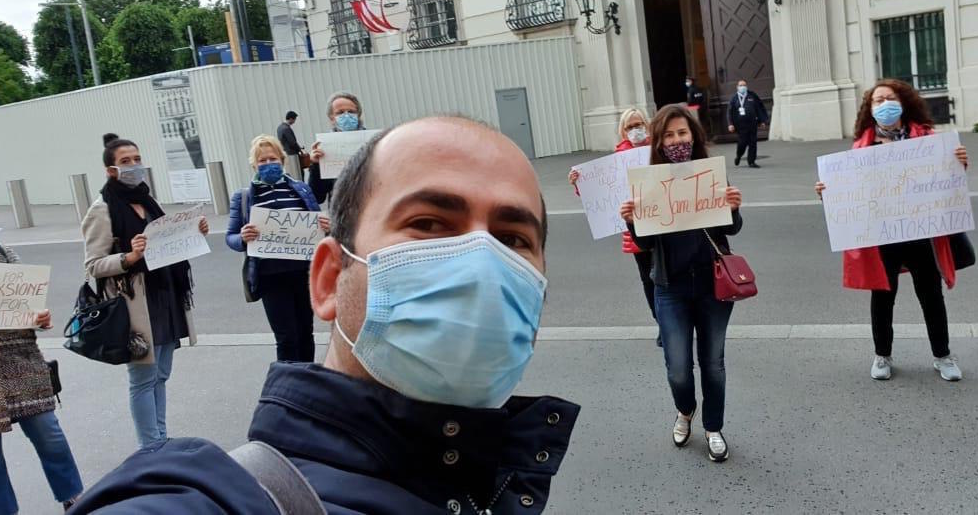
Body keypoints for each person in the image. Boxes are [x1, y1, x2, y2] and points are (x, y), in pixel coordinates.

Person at [70, 117, 579, 514]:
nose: (479, 263)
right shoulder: (212, 500)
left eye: (513, 239)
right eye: (428, 223)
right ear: (331, 278)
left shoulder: (500, 482)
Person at [814, 79, 968, 382]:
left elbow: (947, 182)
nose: (884, 105)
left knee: (931, 295)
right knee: (883, 296)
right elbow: (852, 191)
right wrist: (829, 192)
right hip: (882, 236)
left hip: (921, 232)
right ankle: (882, 355)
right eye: (877, 101)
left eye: (889, 98)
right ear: (870, 110)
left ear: (903, 102)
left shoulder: (928, 140)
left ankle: (943, 355)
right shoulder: (861, 148)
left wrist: (959, 164)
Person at [619, 105, 744, 463]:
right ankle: (685, 410)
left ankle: (713, 427)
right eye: (669, 135)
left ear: (694, 136)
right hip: (670, 288)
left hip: (712, 286)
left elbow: (730, 229)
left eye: (683, 134)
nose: (677, 141)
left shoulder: (710, 175)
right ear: (659, 141)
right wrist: (631, 221)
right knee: (677, 366)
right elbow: (643, 245)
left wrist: (733, 207)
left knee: (713, 363)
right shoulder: (649, 182)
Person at [81, 134, 208, 448]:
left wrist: (195, 231)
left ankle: (160, 437)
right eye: (126, 162)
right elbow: (93, 265)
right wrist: (129, 257)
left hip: (164, 294)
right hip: (135, 303)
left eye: (137, 159)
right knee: (142, 379)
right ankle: (150, 445)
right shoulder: (102, 209)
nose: (134, 166)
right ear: (111, 170)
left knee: (161, 374)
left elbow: (169, 238)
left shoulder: (148, 200)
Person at [0, 190, 84, 514]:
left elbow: (29, 307)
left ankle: (75, 499)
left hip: (20, 362)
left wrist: (39, 318)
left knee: (50, 435)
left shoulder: (5, 254)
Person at [226, 135, 330, 363]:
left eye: (272, 158)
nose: (267, 164)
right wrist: (243, 238)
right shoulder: (243, 197)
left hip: (303, 273)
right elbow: (230, 238)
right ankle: (289, 386)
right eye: (261, 161)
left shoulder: (301, 190)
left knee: (305, 334)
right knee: (286, 338)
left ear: (282, 161)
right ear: (254, 165)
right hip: (269, 277)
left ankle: (306, 380)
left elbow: (318, 227)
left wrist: (325, 227)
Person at [568, 108, 658, 345]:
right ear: (623, 131)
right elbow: (600, 192)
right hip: (635, 231)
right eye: (630, 126)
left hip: (662, 227)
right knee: (648, 279)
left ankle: (673, 321)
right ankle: (661, 322)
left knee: (666, 277)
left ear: (647, 125)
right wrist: (581, 184)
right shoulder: (618, 157)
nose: (635, 130)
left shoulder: (657, 151)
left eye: (639, 124)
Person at [308, 92, 365, 204]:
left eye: (351, 112)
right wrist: (316, 165)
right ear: (332, 118)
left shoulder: (374, 143)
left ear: (358, 115)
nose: (347, 116)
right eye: (340, 113)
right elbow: (317, 197)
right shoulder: (325, 148)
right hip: (342, 214)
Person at [727, 79, 768, 168]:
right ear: (737, 87)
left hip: (752, 123)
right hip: (741, 125)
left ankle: (751, 161)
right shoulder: (734, 99)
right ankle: (739, 155)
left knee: (753, 142)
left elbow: (759, 107)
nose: (743, 87)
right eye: (741, 85)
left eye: (744, 85)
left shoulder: (752, 95)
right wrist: (730, 124)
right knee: (742, 143)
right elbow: (730, 112)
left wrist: (762, 121)